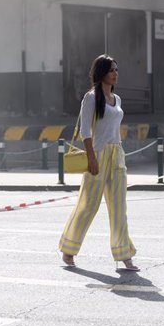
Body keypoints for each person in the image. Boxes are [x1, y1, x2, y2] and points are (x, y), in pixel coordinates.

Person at [59, 54, 139, 271]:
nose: (116, 74)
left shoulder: (117, 99)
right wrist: (92, 158)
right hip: (98, 154)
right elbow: (85, 131)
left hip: (117, 154)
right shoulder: (91, 98)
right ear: (102, 72)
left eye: (116, 70)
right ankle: (69, 249)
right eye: (112, 70)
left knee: (119, 208)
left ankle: (125, 255)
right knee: (88, 205)